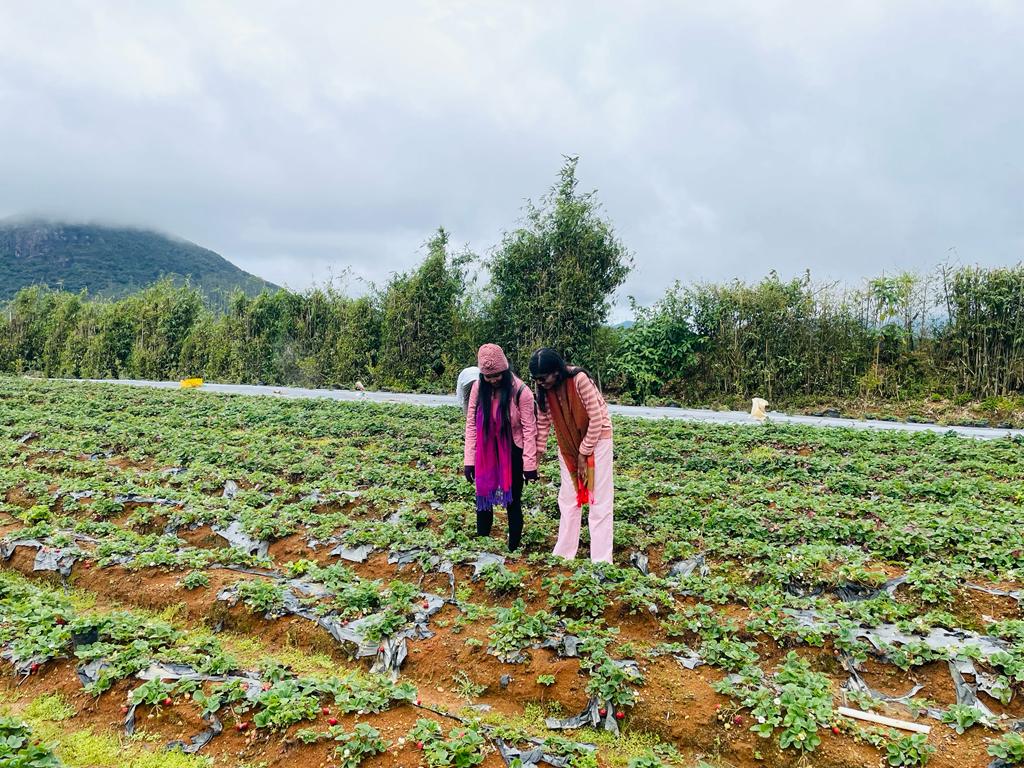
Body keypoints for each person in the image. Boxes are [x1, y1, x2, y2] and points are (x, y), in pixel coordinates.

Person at [529, 348, 614, 563]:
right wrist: (536, 456)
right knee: (568, 499)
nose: (540, 383)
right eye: (536, 380)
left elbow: (596, 419)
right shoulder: (545, 390)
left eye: (543, 378)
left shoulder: (579, 380)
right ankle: (564, 555)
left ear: (556, 371)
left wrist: (584, 454)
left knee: (598, 500)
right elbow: (543, 423)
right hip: (567, 445)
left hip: (598, 440)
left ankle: (602, 561)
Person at [463, 344, 538, 551]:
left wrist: (529, 465)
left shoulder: (522, 391)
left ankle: (513, 548)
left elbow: (529, 430)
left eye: (497, 375)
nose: (493, 380)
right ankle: (482, 543)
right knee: (483, 495)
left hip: (513, 449)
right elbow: (471, 422)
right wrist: (469, 461)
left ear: (505, 370)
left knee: (513, 500)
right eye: (488, 376)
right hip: (486, 450)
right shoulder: (479, 388)